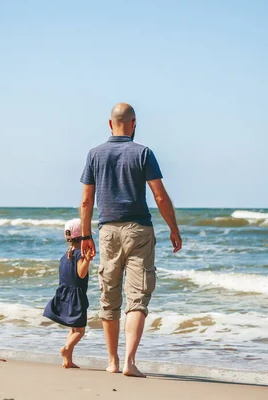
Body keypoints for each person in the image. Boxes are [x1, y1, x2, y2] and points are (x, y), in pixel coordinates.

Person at [79, 102, 182, 378]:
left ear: (110, 124)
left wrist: (86, 235)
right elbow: (159, 196)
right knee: (137, 298)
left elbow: (87, 201)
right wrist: (174, 229)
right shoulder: (143, 153)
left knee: (109, 297)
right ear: (134, 123)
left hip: (108, 231)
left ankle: (112, 361)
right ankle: (129, 362)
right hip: (139, 231)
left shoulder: (94, 154)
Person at [43, 218, 94, 369]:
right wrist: (88, 260)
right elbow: (81, 273)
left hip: (65, 294)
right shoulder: (79, 254)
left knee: (73, 329)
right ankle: (66, 349)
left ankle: (68, 359)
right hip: (76, 296)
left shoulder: (66, 255)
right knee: (80, 331)